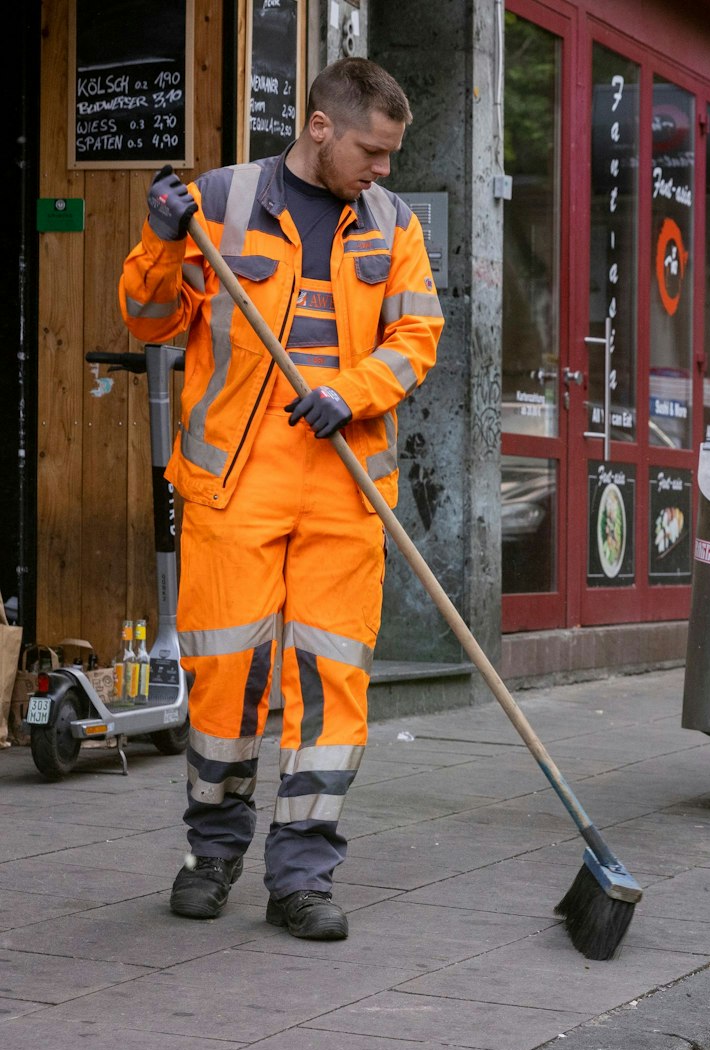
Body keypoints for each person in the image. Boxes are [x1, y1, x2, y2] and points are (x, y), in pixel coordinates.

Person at [121, 59, 442, 940]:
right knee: (227, 679)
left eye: (391, 154)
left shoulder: (395, 224)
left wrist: (357, 387)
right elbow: (148, 322)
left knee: (329, 689)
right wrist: (159, 238)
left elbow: (418, 337)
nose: (384, 169)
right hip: (236, 482)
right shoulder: (218, 203)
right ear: (318, 127)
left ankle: (302, 874)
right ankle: (212, 853)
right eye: (373, 151)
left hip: (343, 483)